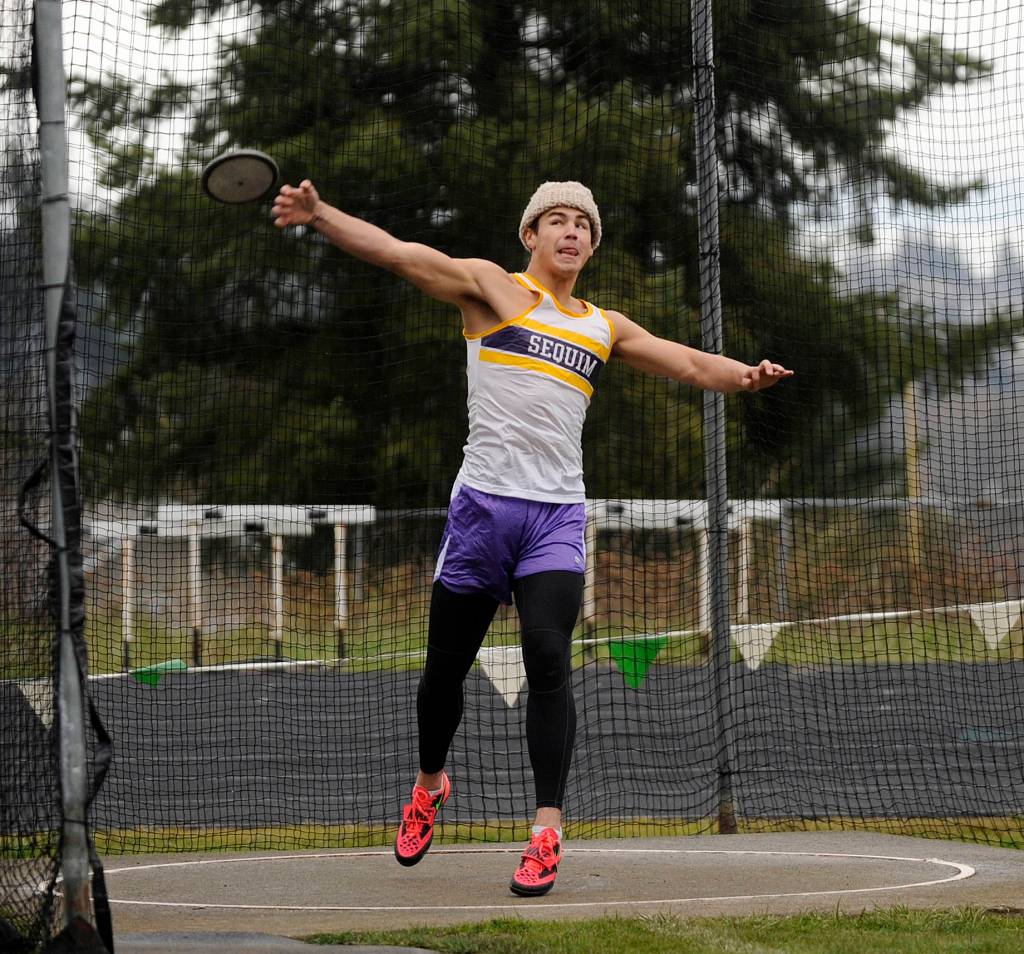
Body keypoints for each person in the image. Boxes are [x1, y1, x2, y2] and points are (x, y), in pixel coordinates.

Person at [272, 179, 793, 897]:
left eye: (583, 223)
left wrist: (746, 376)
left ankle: (546, 829)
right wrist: (320, 214)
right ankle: (430, 783)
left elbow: (690, 364)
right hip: (482, 513)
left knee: (549, 657)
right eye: (557, 219)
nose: (572, 231)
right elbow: (398, 255)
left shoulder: (603, 326)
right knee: (442, 676)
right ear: (531, 235)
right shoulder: (490, 290)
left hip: (554, 518)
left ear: (591, 243)